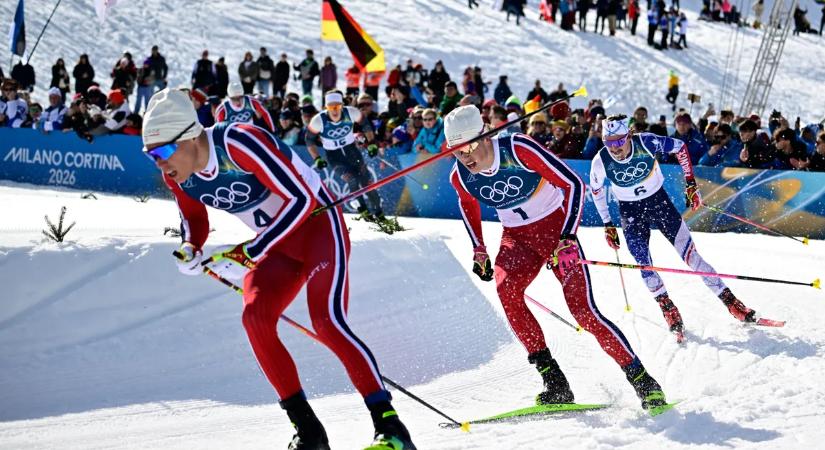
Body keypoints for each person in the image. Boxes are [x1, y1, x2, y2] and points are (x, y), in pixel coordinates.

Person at [140, 88, 415, 450]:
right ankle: (309, 431)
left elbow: (301, 199)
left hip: (319, 228)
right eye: (150, 155)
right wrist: (190, 248)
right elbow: (193, 219)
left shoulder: (238, 143)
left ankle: (391, 428)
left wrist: (251, 251)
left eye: (161, 152)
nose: (159, 163)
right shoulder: (179, 174)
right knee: (255, 318)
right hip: (278, 245)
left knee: (327, 321)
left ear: (190, 136)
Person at [445, 105, 669, 413]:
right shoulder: (460, 175)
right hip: (517, 238)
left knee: (584, 312)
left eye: (469, 146)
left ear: (485, 135)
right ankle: (555, 383)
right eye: (456, 151)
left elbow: (573, 184)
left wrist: (567, 237)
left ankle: (644, 382)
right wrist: (479, 248)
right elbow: (467, 204)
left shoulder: (517, 148)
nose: (465, 157)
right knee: (506, 292)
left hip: (555, 233)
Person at [589, 115, 761, 343]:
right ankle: (667, 308)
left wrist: (691, 183)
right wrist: (608, 224)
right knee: (643, 262)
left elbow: (680, 148)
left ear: (629, 135)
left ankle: (731, 302)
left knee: (691, 257)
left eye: (619, 141)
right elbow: (596, 190)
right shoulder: (600, 162)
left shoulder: (646, 143)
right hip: (631, 212)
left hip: (659, 203)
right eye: (609, 142)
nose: (615, 148)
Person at [306, 91, 387, 222]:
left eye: (337, 106)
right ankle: (362, 209)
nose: (334, 110)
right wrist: (317, 158)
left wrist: (372, 143)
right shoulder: (318, 120)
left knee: (366, 182)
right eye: (331, 107)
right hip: (334, 157)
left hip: (352, 151)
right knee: (352, 180)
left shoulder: (351, 112)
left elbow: (365, 124)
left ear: (342, 106)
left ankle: (379, 213)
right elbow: (309, 140)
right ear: (326, 107)